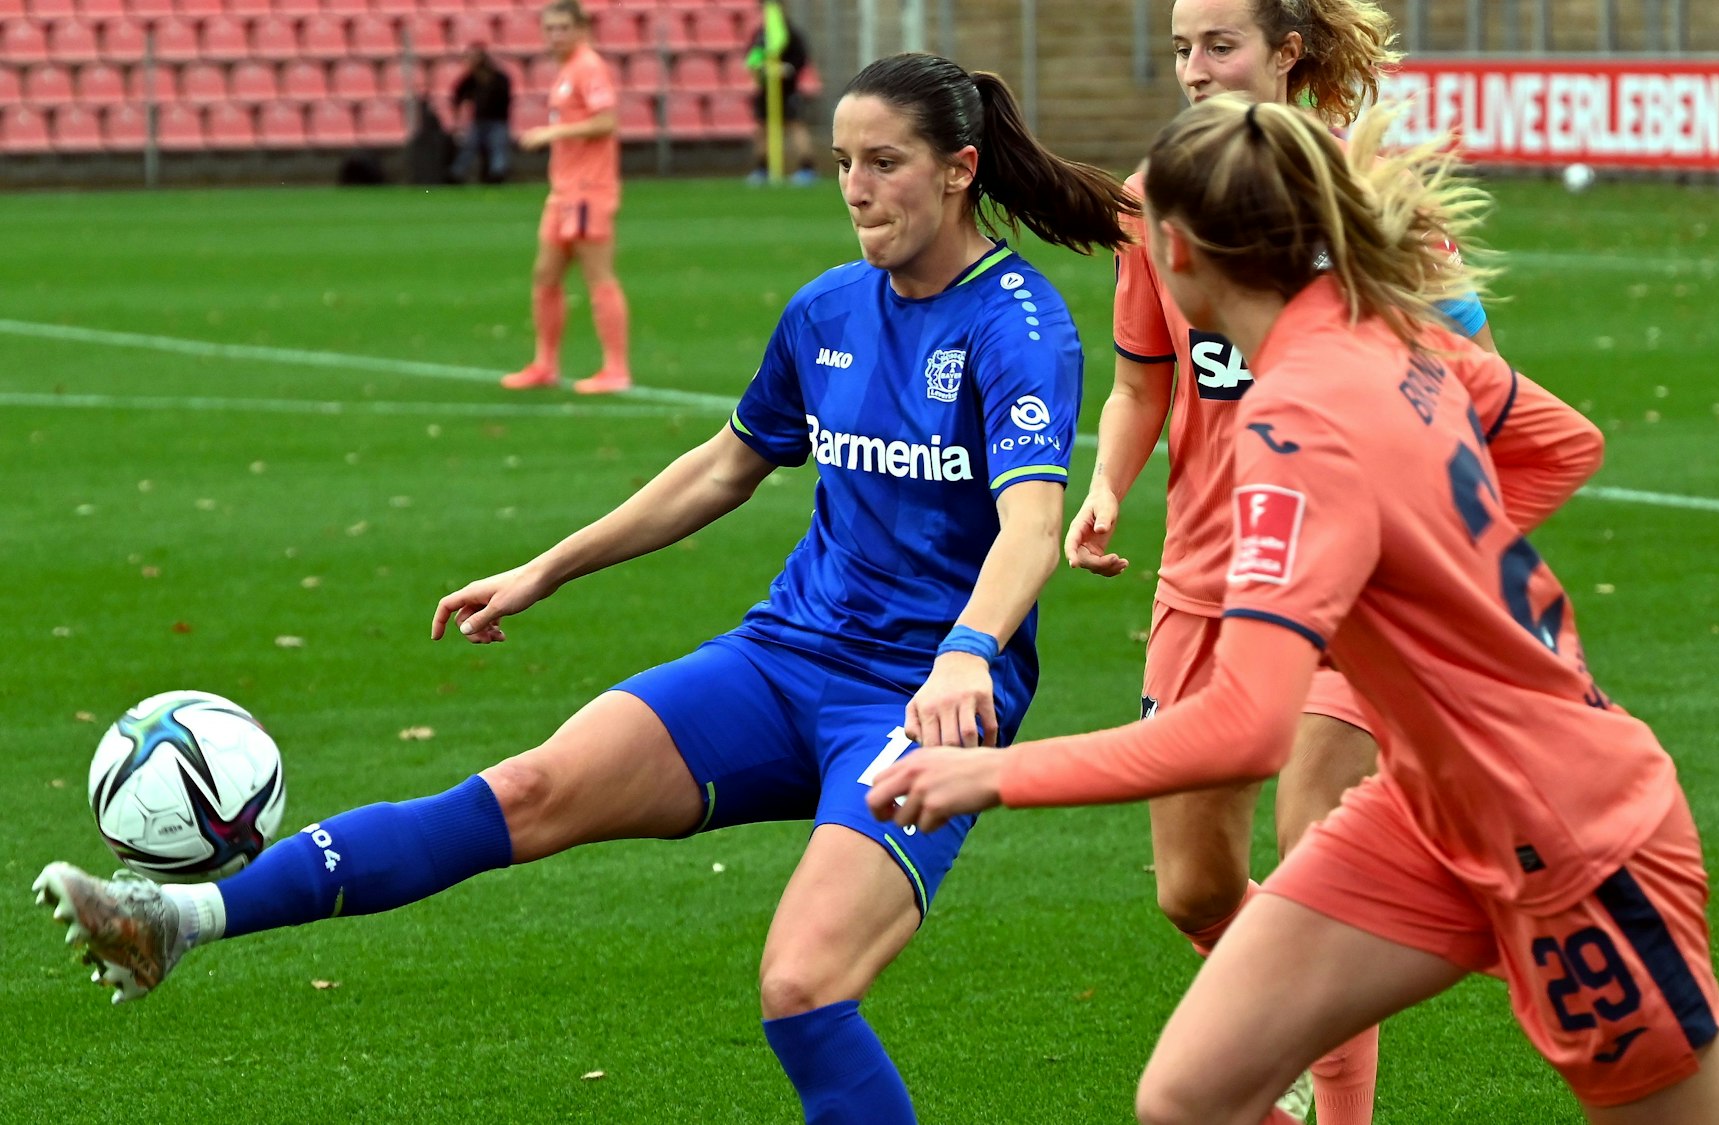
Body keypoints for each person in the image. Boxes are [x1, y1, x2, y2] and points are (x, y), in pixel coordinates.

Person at [33, 52, 1135, 1125]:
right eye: (844, 161)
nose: (855, 188)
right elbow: (721, 466)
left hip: (917, 702)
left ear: (957, 168)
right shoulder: (827, 310)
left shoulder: (1016, 325)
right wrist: (546, 568)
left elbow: (1028, 527)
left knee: (802, 988)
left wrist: (964, 654)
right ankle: (174, 916)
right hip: (782, 655)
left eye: (884, 163)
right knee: (524, 792)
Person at [869, 96, 1719, 1125]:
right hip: (1421, 809)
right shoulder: (1390, 331)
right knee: (1189, 1095)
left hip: (1567, 833)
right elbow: (1557, 441)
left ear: (1179, 253)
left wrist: (992, 773)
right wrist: (1401, 565)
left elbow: (1246, 729)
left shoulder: (1293, 415)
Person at [1064, 1, 1564, 1119]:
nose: (1194, 69)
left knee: (1311, 865)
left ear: (1287, 52)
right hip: (1203, 584)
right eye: (1182, 47)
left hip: (1351, 584)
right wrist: (1105, 484)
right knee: (1193, 891)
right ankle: (1275, 1025)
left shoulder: (1367, 193)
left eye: (1219, 45)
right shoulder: (1154, 200)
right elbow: (1145, 378)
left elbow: (1475, 383)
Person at [503, 0, 631, 395]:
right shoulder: (568, 71)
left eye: (562, 27)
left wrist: (550, 133)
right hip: (564, 191)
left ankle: (615, 369)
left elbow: (607, 121)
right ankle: (545, 363)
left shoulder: (589, 67)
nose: (554, 35)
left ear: (581, 29)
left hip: (588, 190)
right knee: (545, 274)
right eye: (549, 28)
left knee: (598, 275)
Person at [745, 1, 818, 186]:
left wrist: (787, 68)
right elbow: (753, 57)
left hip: (788, 90)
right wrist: (761, 67)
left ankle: (806, 168)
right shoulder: (761, 34)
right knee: (763, 130)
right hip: (766, 90)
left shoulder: (791, 34)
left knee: (795, 127)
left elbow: (800, 59)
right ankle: (762, 168)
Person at [449, 44, 514, 184]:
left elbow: (505, 98)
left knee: (497, 148)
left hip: (498, 120)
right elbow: (457, 94)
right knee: (469, 148)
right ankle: (456, 174)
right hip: (479, 120)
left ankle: (497, 174)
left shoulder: (499, 78)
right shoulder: (471, 79)